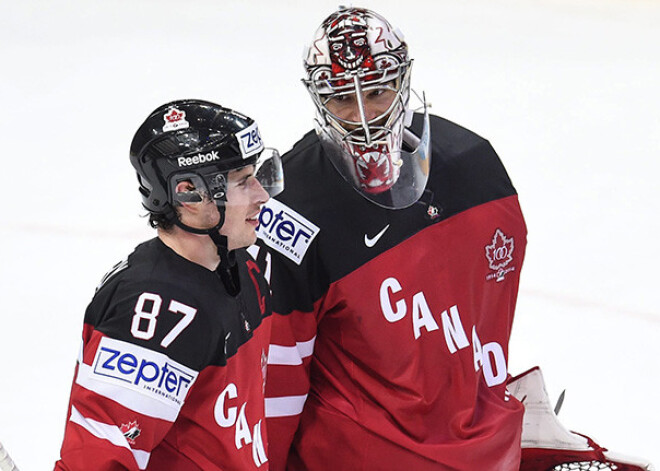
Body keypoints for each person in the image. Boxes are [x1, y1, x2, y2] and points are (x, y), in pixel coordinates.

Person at [256, 7, 654, 471]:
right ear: (318, 97)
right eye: (344, 97)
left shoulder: (474, 168)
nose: (363, 116)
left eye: (378, 91)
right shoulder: (289, 211)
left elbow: (482, 319)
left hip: (479, 445)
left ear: (403, 80)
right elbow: (275, 375)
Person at [54, 99, 283, 470]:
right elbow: (101, 458)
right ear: (189, 193)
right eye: (243, 182)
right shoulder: (153, 309)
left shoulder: (241, 266)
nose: (262, 194)